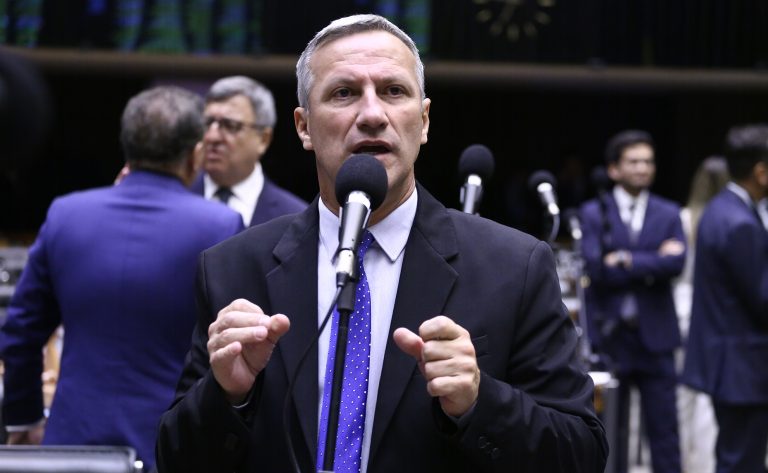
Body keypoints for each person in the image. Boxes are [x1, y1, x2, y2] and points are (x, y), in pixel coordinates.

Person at [156, 14, 607, 473]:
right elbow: (175, 459)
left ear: (424, 121)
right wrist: (227, 397)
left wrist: (478, 401)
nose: (372, 115)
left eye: (393, 91)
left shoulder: (515, 266)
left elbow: (581, 454)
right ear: (304, 127)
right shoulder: (233, 268)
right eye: (343, 93)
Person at [0, 86, 244, 470]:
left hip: (70, 447)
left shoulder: (66, 214)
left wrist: (25, 418)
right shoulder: (221, 225)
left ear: (126, 145)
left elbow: (20, 334)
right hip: (169, 448)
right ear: (195, 154)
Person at [579, 130, 686, 473]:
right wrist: (653, 260)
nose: (643, 168)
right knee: (608, 430)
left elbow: (676, 264)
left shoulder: (668, 212)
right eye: (634, 161)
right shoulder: (593, 212)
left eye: (648, 162)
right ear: (614, 169)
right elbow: (597, 268)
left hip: (656, 336)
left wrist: (625, 259)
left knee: (665, 431)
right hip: (611, 335)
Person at [682, 124, 768, 473]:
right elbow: (763, 300)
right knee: (742, 463)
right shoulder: (740, 222)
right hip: (743, 367)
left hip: (731, 360)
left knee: (736, 458)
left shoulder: (721, 208)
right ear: (761, 172)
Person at [673, 156, 729, 473]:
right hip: (714, 314)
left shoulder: (684, 218)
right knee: (708, 398)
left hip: (681, 311)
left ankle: (683, 462)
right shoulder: (733, 219)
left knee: (682, 396)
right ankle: (705, 465)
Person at [191, 75, 308, 227]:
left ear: (263, 139)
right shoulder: (175, 200)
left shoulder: (296, 217)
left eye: (230, 125)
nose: (211, 137)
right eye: (207, 123)